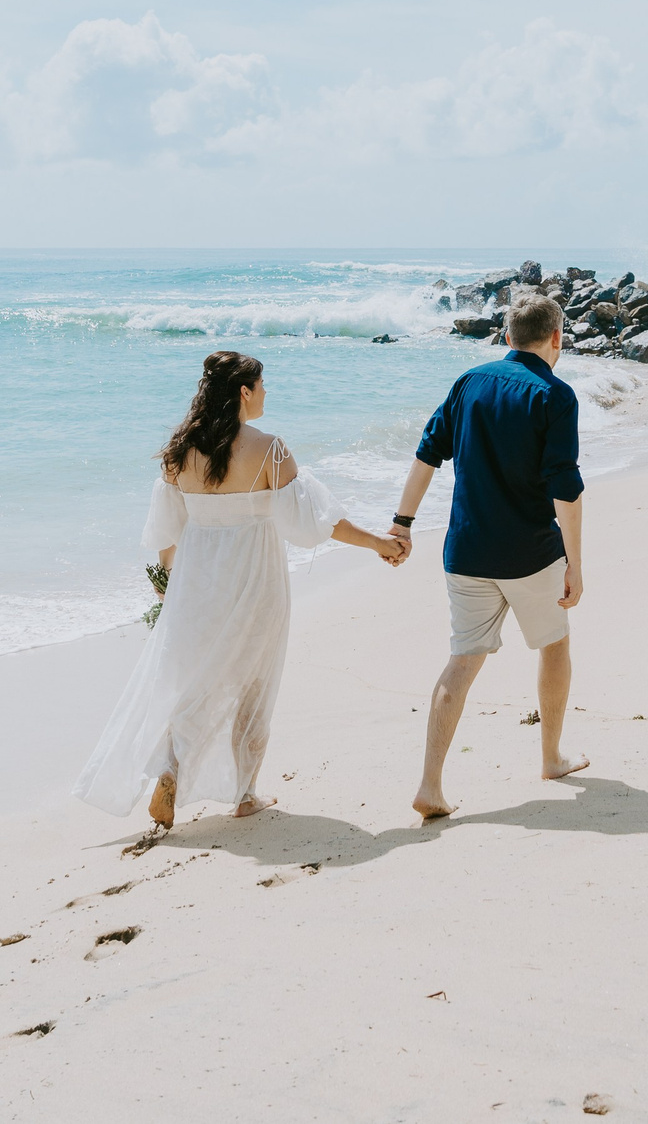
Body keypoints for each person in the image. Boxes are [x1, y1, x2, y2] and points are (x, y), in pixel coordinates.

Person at [76, 350, 403, 828]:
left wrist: (170, 588)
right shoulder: (269, 449)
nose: (268, 392)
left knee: (196, 681)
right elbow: (318, 521)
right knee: (254, 684)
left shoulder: (178, 451)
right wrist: (379, 543)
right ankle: (246, 793)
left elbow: (167, 535)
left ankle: (170, 767)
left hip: (197, 581)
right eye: (263, 384)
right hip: (254, 577)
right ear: (243, 392)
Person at [388, 293, 588, 820]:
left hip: (467, 550)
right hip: (531, 553)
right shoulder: (556, 395)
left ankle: (430, 784)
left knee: (462, 660)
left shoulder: (468, 383)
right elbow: (565, 488)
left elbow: (427, 452)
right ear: (556, 338)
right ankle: (551, 757)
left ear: (505, 336)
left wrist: (401, 524)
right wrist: (576, 561)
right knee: (553, 643)